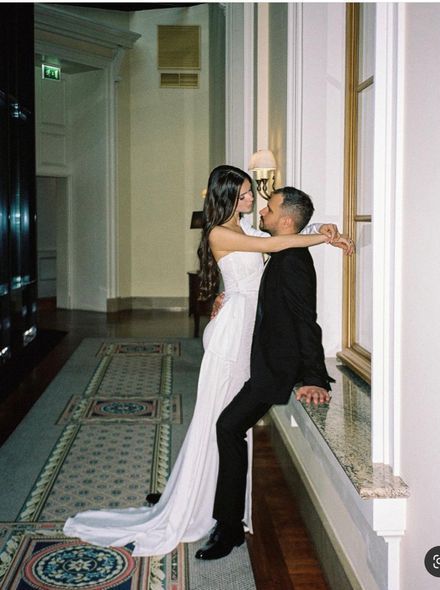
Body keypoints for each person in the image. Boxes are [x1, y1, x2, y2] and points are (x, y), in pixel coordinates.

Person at [63, 165, 352, 557]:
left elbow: (279, 239)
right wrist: (322, 235)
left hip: (250, 334)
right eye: (246, 195)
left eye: (254, 195)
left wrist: (325, 228)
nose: (252, 202)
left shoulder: (248, 229)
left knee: (226, 426)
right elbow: (273, 247)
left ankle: (198, 495)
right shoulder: (220, 231)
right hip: (232, 338)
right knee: (219, 422)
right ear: (228, 196)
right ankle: (200, 504)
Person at [195, 186, 336, 560]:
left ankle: (229, 529)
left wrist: (314, 378)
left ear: (285, 221)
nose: (262, 212)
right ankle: (216, 510)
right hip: (260, 355)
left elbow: (307, 321)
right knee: (227, 426)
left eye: (269, 209)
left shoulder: (291, 258)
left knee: (227, 427)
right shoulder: (281, 245)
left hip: (276, 365)